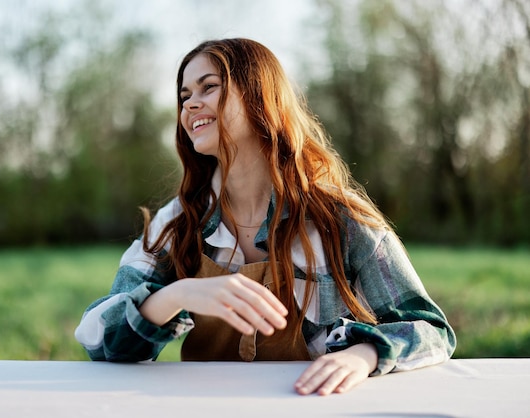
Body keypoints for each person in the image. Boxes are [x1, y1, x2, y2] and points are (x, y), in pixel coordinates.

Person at [75, 38, 456, 396]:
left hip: (309, 407)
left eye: (209, 87)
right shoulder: (176, 222)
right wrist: (179, 293)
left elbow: (433, 329)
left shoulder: (338, 217)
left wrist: (365, 353)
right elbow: (97, 336)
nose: (189, 105)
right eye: (184, 95)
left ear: (259, 95)